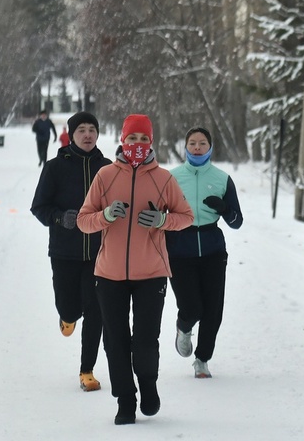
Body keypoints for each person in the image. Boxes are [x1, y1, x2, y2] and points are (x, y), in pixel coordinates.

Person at [77, 114, 194, 425]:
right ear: (123, 141)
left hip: (152, 272)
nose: (138, 145)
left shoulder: (163, 179)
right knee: (115, 339)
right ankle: (126, 399)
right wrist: (104, 215)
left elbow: (186, 216)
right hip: (109, 273)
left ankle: (148, 384)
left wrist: (162, 221)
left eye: (144, 139)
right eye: (133, 139)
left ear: (151, 142)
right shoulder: (105, 176)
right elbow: (83, 221)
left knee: (144, 339)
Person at [30, 112, 111, 393]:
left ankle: (86, 370)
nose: (87, 135)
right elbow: (39, 207)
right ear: (72, 134)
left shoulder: (108, 168)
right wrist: (59, 218)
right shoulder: (55, 167)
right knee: (69, 307)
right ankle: (66, 316)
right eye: (82, 130)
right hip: (64, 252)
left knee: (95, 311)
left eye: (92, 130)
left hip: (100, 255)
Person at [166, 127, 243, 379]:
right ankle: (184, 327)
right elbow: (157, 211)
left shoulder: (222, 178)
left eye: (202, 143)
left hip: (212, 250)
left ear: (210, 147)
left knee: (213, 310)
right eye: (192, 143)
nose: (197, 147)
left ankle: (202, 359)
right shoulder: (171, 177)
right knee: (191, 307)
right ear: (185, 147)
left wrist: (223, 208)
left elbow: (236, 221)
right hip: (180, 249)